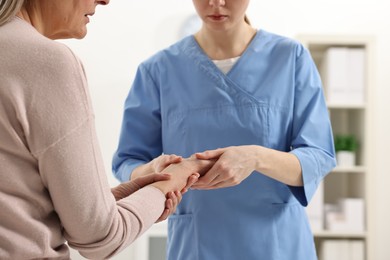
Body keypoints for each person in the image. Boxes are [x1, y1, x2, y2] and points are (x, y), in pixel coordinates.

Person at [112, 0, 337, 259]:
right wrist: (151, 172)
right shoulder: (158, 70)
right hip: (197, 243)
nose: (215, 3)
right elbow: (128, 162)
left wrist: (255, 157)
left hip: (276, 244)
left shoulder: (290, 58)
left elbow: (318, 157)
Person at [0, 0, 214, 259]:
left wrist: (114, 198)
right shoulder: (48, 62)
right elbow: (101, 237)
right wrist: (177, 177)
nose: (104, 0)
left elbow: (16, 200)